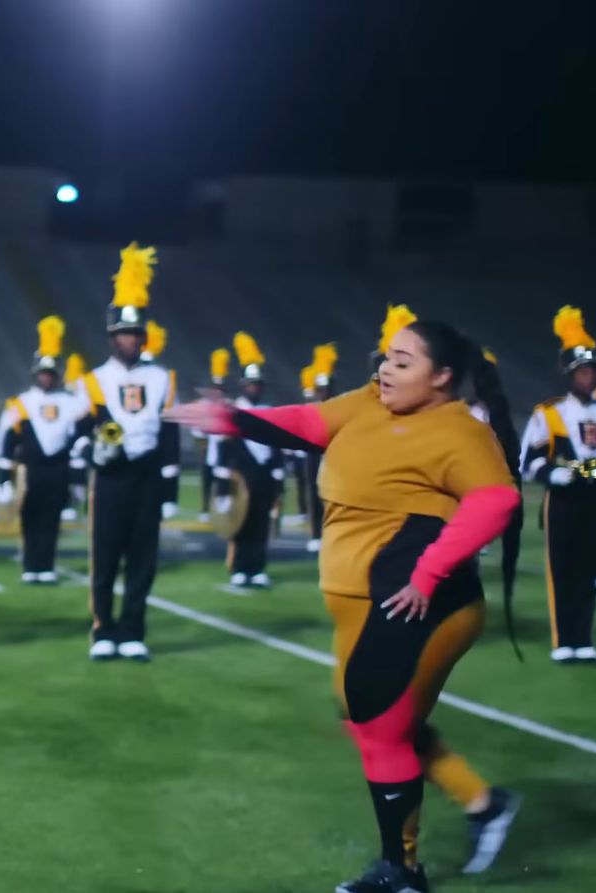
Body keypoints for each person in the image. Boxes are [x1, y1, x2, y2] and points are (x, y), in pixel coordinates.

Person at [170, 317, 525, 892]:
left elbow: (497, 501)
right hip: (363, 603)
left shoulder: (458, 430)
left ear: (441, 378)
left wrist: (429, 573)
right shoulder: (368, 401)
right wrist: (233, 420)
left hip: (418, 605)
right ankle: (483, 804)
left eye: (403, 362)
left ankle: (403, 872)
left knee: (381, 727)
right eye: (387, 356)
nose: (386, 368)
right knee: (366, 721)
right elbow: (309, 423)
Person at [76, 242, 179, 662]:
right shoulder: (92, 380)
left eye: (135, 334)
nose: (130, 341)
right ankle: (103, 628)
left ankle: (133, 628)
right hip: (112, 478)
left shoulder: (162, 378)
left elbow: (170, 435)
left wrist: (170, 491)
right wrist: (93, 454)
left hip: (149, 477)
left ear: (144, 337)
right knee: (105, 556)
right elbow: (79, 435)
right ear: (111, 337)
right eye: (123, 334)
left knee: (142, 556)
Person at [519, 306, 596, 665]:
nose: (589, 378)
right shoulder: (550, 413)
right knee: (562, 569)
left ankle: (583, 639)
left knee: (588, 569)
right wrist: (550, 474)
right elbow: (529, 460)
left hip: (594, 499)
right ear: (569, 375)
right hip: (561, 502)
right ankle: (564, 640)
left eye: (592, 371)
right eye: (582, 372)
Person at [0, 316, 86, 585]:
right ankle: (30, 564)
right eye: (43, 374)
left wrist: (77, 482)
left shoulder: (70, 402)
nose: (47, 378)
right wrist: (3, 481)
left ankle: (46, 565)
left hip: (58, 470)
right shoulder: (21, 403)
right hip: (30, 470)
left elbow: (78, 440)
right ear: (36, 374)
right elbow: (6, 441)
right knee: (30, 516)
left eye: (51, 373)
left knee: (51, 518)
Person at [210, 333, 286, 589]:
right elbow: (223, 448)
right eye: (251, 384)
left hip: (263, 477)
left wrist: (278, 477)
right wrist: (221, 485)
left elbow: (276, 449)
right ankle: (240, 567)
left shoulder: (269, 411)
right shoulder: (234, 412)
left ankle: (258, 567)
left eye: (258, 384)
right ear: (244, 385)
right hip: (240, 477)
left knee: (262, 523)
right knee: (241, 522)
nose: (254, 388)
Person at [300, 344, 340, 552]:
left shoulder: (341, 406)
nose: (324, 393)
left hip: (334, 455)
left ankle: (333, 533)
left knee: (335, 495)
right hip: (315, 454)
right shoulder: (312, 409)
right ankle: (316, 534)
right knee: (314, 493)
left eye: (327, 389)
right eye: (321, 389)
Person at [196, 348, 231, 523]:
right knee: (206, 477)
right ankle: (204, 508)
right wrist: (202, 443)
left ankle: (221, 505)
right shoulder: (203, 404)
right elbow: (197, 428)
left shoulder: (228, 404)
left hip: (223, 446)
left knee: (223, 477)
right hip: (209, 446)